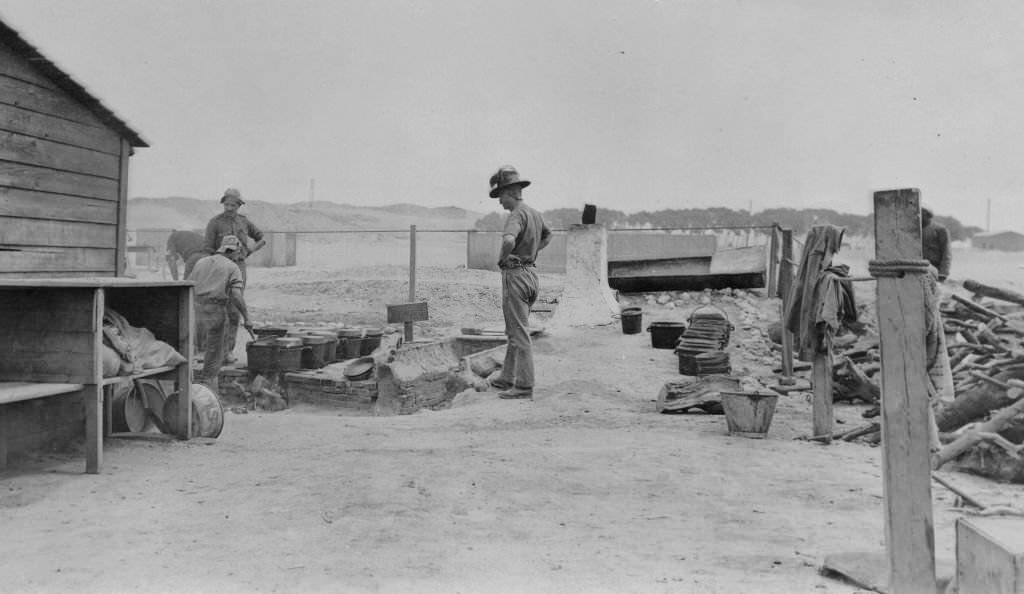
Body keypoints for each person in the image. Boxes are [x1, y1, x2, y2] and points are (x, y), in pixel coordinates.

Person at [487, 165, 552, 399]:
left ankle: (524, 385)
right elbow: (548, 235)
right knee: (515, 330)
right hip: (531, 275)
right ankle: (507, 377)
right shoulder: (533, 213)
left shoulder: (516, 215)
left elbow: (508, 240)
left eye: (501, 195)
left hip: (516, 276)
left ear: (511, 192)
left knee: (519, 332)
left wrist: (504, 258)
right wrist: (532, 251)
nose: (499, 202)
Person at [204, 187, 265, 362]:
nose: (229, 208)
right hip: (219, 268)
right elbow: (207, 249)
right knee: (216, 309)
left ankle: (228, 351)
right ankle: (213, 350)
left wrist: (251, 250)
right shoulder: (214, 223)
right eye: (226, 204)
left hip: (239, 268)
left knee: (234, 309)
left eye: (233, 205)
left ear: (239, 205)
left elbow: (262, 238)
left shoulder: (244, 222)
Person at [188, 235, 253, 393]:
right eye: (238, 252)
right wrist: (247, 318)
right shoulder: (232, 267)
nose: (239, 256)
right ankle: (209, 396)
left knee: (192, 352)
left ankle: (189, 393)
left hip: (195, 311)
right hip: (215, 311)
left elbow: (188, 286)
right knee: (213, 357)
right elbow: (236, 296)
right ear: (233, 250)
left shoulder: (200, 262)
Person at [921, 207, 951, 282]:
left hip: (935, 269)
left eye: (922, 213)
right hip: (919, 269)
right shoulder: (914, 229)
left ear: (928, 215)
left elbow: (946, 252)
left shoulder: (941, 230)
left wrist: (943, 273)